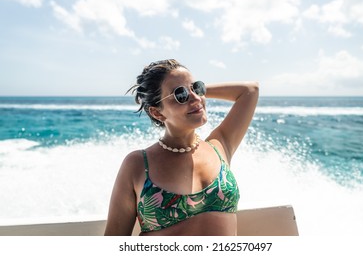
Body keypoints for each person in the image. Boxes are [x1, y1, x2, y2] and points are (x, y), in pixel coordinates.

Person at [104, 59, 259, 236]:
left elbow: (250, 90)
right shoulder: (138, 164)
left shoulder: (220, 145)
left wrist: (191, 89)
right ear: (157, 112)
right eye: (180, 95)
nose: (196, 98)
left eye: (197, 88)